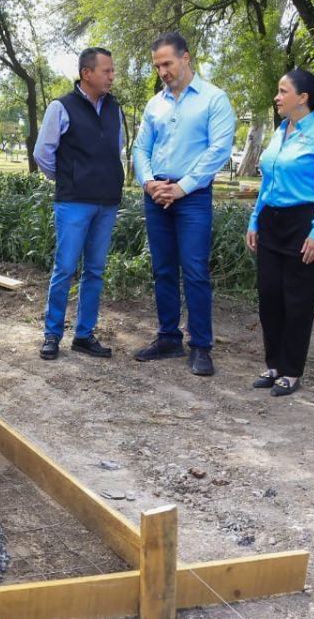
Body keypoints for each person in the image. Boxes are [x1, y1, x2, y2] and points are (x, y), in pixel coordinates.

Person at [132, 32, 236, 375]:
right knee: (162, 269)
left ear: (186, 58)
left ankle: (201, 346)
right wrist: (148, 182)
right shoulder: (155, 104)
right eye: (158, 65)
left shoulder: (214, 99)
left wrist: (183, 188)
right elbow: (140, 148)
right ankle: (168, 338)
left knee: (194, 271)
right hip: (157, 194)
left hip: (192, 198)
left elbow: (218, 150)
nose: (163, 71)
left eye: (167, 63)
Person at [245, 69, 314, 396]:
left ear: (303, 97)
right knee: (269, 295)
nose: (277, 97)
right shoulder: (281, 130)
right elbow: (268, 181)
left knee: (297, 300)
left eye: (283, 91)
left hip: (307, 222)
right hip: (272, 221)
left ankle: (291, 370)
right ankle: (273, 365)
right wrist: (255, 219)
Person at [33, 47, 125, 360]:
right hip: (73, 204)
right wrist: (68, 179)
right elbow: (42, 154)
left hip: (107, 203)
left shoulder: (115, 109)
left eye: (112, 71)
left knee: (95, 271)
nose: (112, 77)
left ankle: (84, 335)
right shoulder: (61, 107)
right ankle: (52, 334)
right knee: (65, 268)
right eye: (106, 71)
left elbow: (118, 148)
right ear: (87, 73)